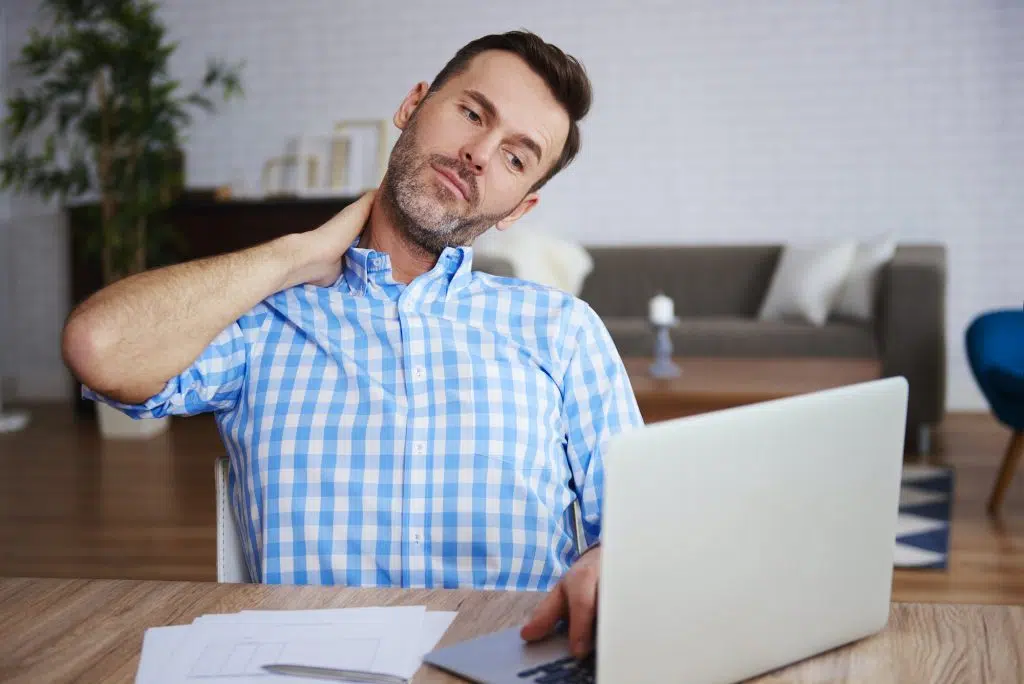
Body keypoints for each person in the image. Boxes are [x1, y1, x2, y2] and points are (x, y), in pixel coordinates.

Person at [61, 30, 642, 658]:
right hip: (307, 669)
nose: (478, 152)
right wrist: (298, 254)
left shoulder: (563, 332)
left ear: (518, 209)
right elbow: (99, 345)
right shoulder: (266, 320)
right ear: (412, 105)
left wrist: (613, 561)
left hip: (510, 662)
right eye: (473, 114)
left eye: (515, 157)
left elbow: (644, 528)